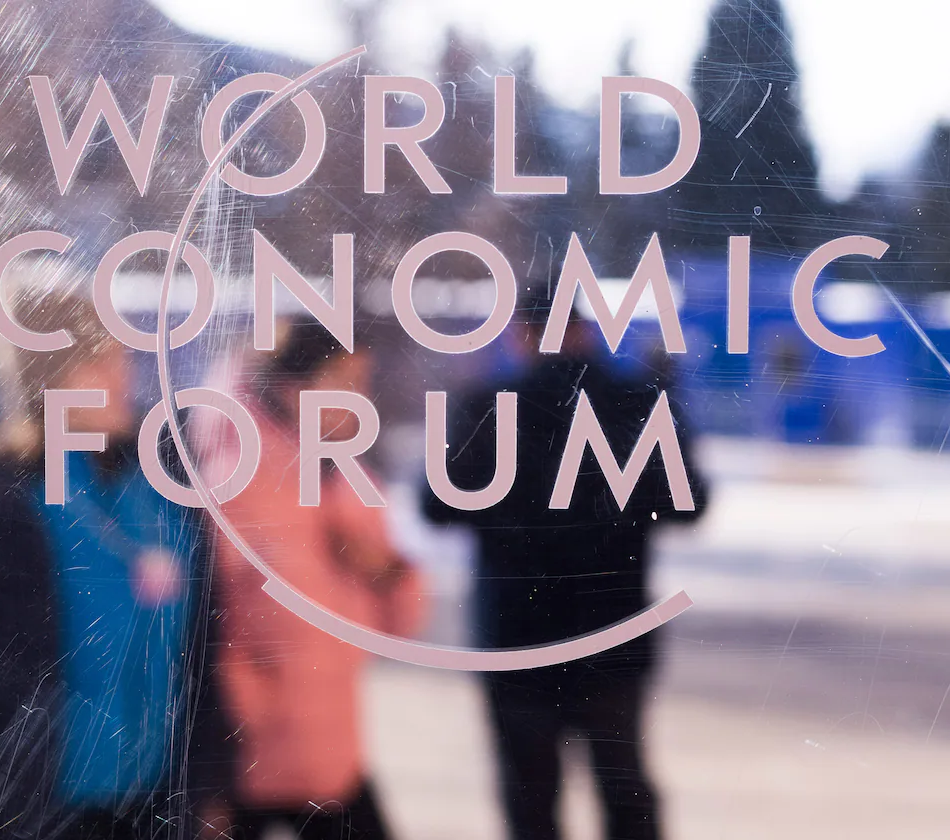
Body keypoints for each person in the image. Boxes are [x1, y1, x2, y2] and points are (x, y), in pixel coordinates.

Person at [0, 288, 232, 840]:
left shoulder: (165, 490)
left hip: (154, 812)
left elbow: (203, 657)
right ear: (46, 380)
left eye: (122, 355)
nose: (122, 376)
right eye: (96, 360)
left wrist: (210, 788)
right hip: (35, 815)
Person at [422, 303, 710, 840]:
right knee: (624, 789)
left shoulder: (488, 404)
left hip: (516, 634)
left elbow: (435, 504)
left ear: (521, 333)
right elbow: (690, 502)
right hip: (612, 629)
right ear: (584, 330)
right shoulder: (638, 401)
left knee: (530, 797)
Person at [204, 320, 425, 840]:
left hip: (328, 742)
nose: (360, 399)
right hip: (254, 751)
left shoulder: (344, 477)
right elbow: (220, 629)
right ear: (293, 389)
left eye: (363, 381)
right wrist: (244, 723)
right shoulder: (235, 477)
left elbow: (401, 624)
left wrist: (386, 569)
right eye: (344, 381)